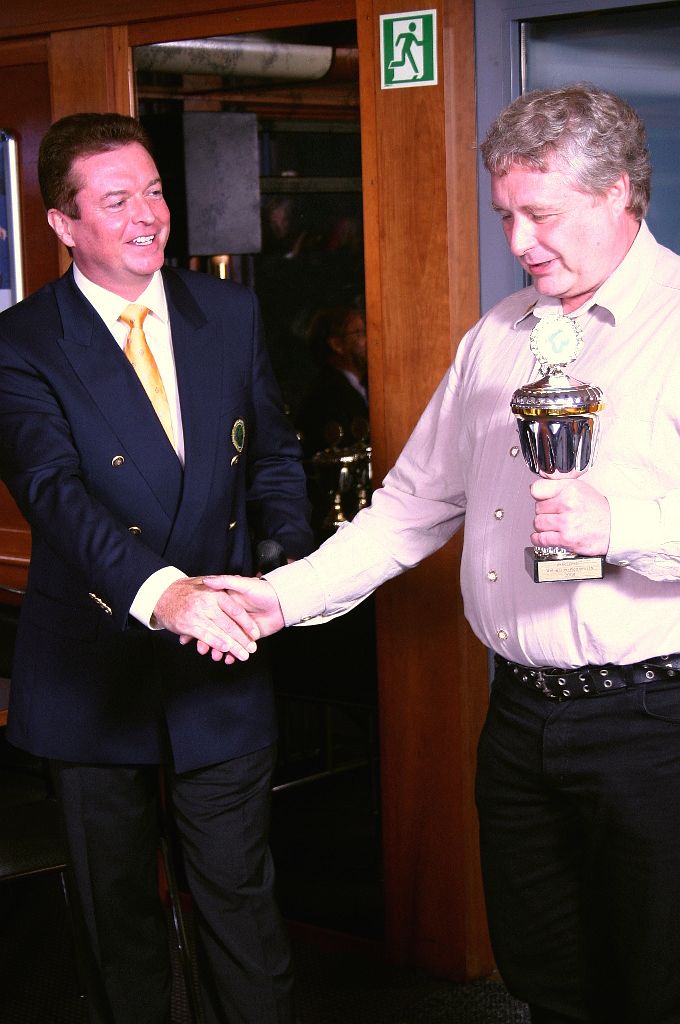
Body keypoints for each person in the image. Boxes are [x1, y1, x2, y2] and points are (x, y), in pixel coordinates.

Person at [191, 83, 680, 1023]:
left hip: (655, 725)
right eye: (505, 216)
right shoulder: (497, 337)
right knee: (548, 983)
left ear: (618, 190)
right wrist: (279, 598)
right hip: (521, 720)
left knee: (659, 987)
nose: (520, 241)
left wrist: (619, 527)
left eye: (541, 213)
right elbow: (410, 507)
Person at [0, 112, 313, 1024]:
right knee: (120, 927)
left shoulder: (230, 312)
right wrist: (163, 593)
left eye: (155, 191)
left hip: (222, 655)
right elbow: (54, 496)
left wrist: (280, 574)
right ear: (62, 224)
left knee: (241, 913)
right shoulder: (20, 342)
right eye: (116, 200)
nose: (148, 215)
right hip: (90, 670)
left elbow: (275, 457)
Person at [295, 304, 369, 461]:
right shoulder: (326, 396)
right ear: (337, 345)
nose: (368, 340)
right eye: (359, 332)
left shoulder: (364, 387)